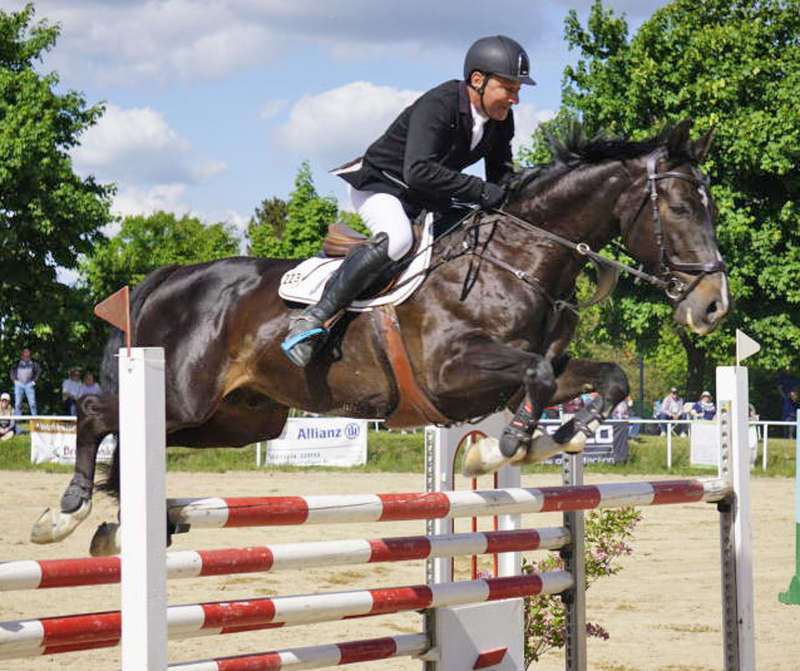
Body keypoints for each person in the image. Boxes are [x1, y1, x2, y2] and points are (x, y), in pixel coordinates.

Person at [281, 35, 536, 367]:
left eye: (518, 90)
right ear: (478, 80)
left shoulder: (500, 120)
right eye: (509, 88)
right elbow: (417, 170)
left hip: (426, 196)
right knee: (399, 239)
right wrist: (481, 191)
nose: (515, 98)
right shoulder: (440, 104)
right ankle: (313, 318)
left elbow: (500, 175)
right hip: (381, 185)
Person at [9, 347, 40, 423]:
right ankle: (18, 424)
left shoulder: (33, 364)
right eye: (24, 354)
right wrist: (14, 380)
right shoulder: (17, 363)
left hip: (29, 384)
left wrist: (34, 381)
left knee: (32, 404)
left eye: (28, 355)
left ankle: (35, 423)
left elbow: (39, 372)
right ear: (22, 355)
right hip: (19, 384)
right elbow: (12, 371)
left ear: (30, 355)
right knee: (17, 404)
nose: (26, 356)